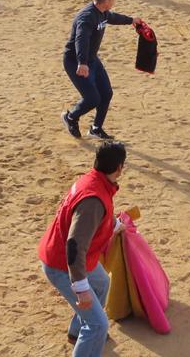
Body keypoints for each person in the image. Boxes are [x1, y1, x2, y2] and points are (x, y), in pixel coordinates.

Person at [38, 140, 127, 355]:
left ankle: (77, 331)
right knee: (98, 325)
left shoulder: (92, 181)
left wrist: (114, 224)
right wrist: (81, 287)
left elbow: (88, 221)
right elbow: (75, 245)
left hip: (65, 256)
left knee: (102, 283)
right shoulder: (94, 200)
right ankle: (88, 332)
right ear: (119, 168)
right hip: (63, 265)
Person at [62, 0, 141, 141]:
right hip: (75, 61)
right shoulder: (86, 17)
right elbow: (81, 40)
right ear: (106, 1)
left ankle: (96, 129)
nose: (114, 0)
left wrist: (131, 20)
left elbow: (112, 17)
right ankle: (70, 117)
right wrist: (82, 62)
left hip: (92, 59)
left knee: (106, 93)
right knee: (92, 98)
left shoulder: (102, 12)